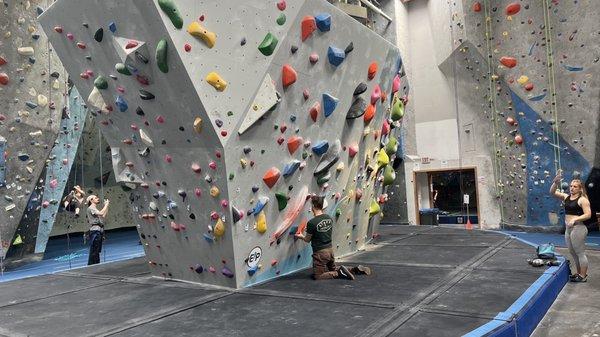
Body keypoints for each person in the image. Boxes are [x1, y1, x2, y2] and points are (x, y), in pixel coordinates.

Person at [295, 195, 371, 280]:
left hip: (320, 253)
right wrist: (309, 230)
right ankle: (356, 269)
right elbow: (322, 231)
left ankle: (338, 273)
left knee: (318, 276)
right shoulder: (329, 218)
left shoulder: (312, 222)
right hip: (330, 250)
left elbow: (307, 240)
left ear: (313, 206)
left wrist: (300, 236)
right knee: (333, 268)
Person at [550, 170, 592, 282]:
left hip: (578, 228)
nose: (572, 188)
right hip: (568, 229)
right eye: (571, 186)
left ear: (580, 188)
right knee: (573, 253)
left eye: (575, 186)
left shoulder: (583, 200)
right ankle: (578, 273)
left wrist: (575, 219)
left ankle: (583, 276)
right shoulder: (566, 197)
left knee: (580, 252)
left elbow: (588, 214)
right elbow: (552, 192)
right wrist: (555, 182)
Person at [86, 194, 109, 265]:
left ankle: (96, 264)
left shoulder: (94, 209)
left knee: (97, 249)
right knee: (94, 249)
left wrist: (107, 205)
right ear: (91, 200)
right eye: (95, 198)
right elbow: (101, 213)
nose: (98, 198)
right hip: (95, 230)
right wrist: (106, 205)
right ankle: (92, 265)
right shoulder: (91, 208)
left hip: (98, 230)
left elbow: (103, 215)